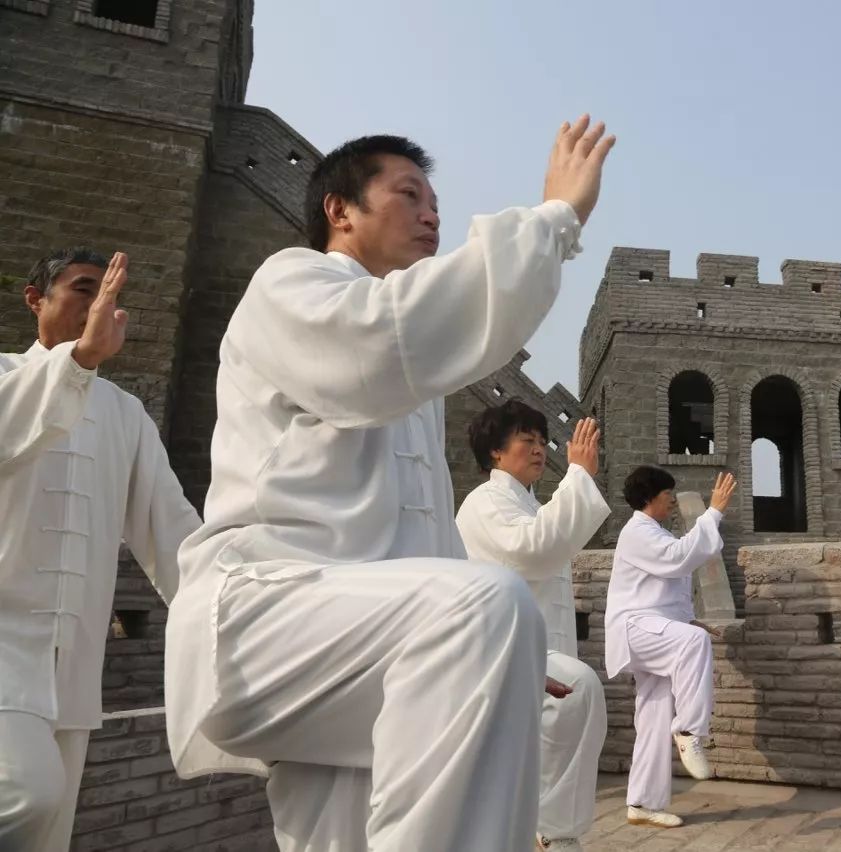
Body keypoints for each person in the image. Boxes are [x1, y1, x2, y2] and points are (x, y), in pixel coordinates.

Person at [165, 116, 616, 851]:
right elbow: (384, 343)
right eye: (409, 193)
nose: (432, 212)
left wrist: (494, 670)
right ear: (339, 210)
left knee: (342, 835)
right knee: (491, 605)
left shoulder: (416, 388)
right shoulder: (293, 286)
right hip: (264, 617)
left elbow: (423, 544)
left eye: (436, 200)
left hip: (361, 641)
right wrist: (554, 221)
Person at [0, 248, 200, 851]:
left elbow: (172, 531)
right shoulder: (7, 376)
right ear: (36, 300)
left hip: (76, 665)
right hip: (5, 651)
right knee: (26, 798)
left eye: (105, 293)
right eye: (82, 289)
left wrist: (233, 608)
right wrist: (81, 358)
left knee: (47, 834)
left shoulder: (125, 415)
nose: (97, 304)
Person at [455, 401, 611, 851]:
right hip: (500, 650)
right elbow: (533, 549)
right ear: (497, 453)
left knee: (553, 729)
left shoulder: (526, 503)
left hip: (538, 650)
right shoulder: (484, 502)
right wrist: (578, 476)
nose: (540, 449)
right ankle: (555, 829)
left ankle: (541, 828)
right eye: (527, 440)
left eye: (544, 441)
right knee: (578, 691)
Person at [604, 466, 735, 828]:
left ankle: (643, 803)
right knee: (694, 643)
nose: (673, 500)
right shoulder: (637, 532)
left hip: (655, 629)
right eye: (668, 494)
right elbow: (679, 557)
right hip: (635, 628)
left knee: (654, 714)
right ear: (650, 497)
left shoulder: (654, 534)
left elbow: (669, 587)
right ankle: (691, 730)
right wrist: (715, 511)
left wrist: (688, 621)